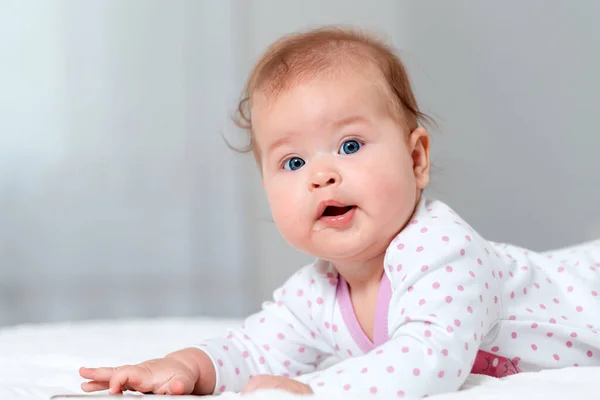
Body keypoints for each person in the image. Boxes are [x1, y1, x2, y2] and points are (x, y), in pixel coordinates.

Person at [79, 26, 600, 398]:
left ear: (416, 159)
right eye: (293, 161)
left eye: (350, 146)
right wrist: (185, 368)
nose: (320, 174)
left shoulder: (444, 250)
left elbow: (428, 357)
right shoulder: (319, 291)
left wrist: (312, 390)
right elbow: (255, 351)